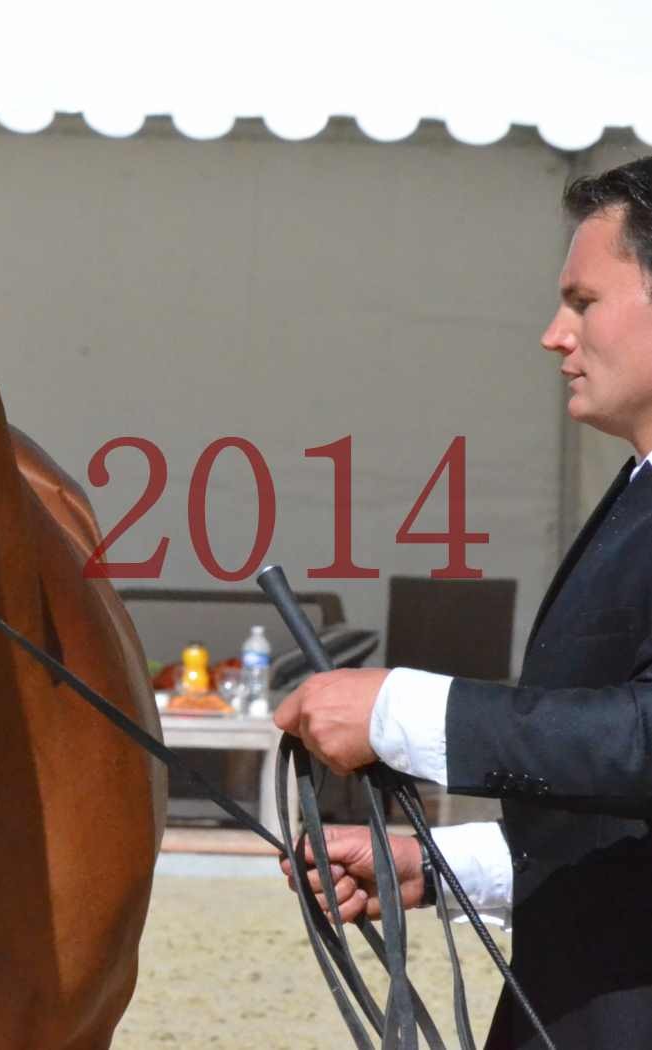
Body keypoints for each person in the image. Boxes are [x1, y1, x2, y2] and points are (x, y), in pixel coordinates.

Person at [275, 155, 652, 1050]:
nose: (554, 334)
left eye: (584, 300)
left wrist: (403, 711)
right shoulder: (634, 491)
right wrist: (445, 868)